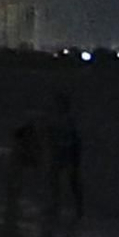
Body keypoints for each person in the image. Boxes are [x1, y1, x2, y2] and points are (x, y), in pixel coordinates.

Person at [43, 94, 83, 229]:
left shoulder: (68, 120)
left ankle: (77, 207)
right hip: (61, 152)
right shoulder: (57, 119)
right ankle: (57, 206)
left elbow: (74, 139)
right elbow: (50, 136)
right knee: (56, 180)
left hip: (67, 152)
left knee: (70, 181)